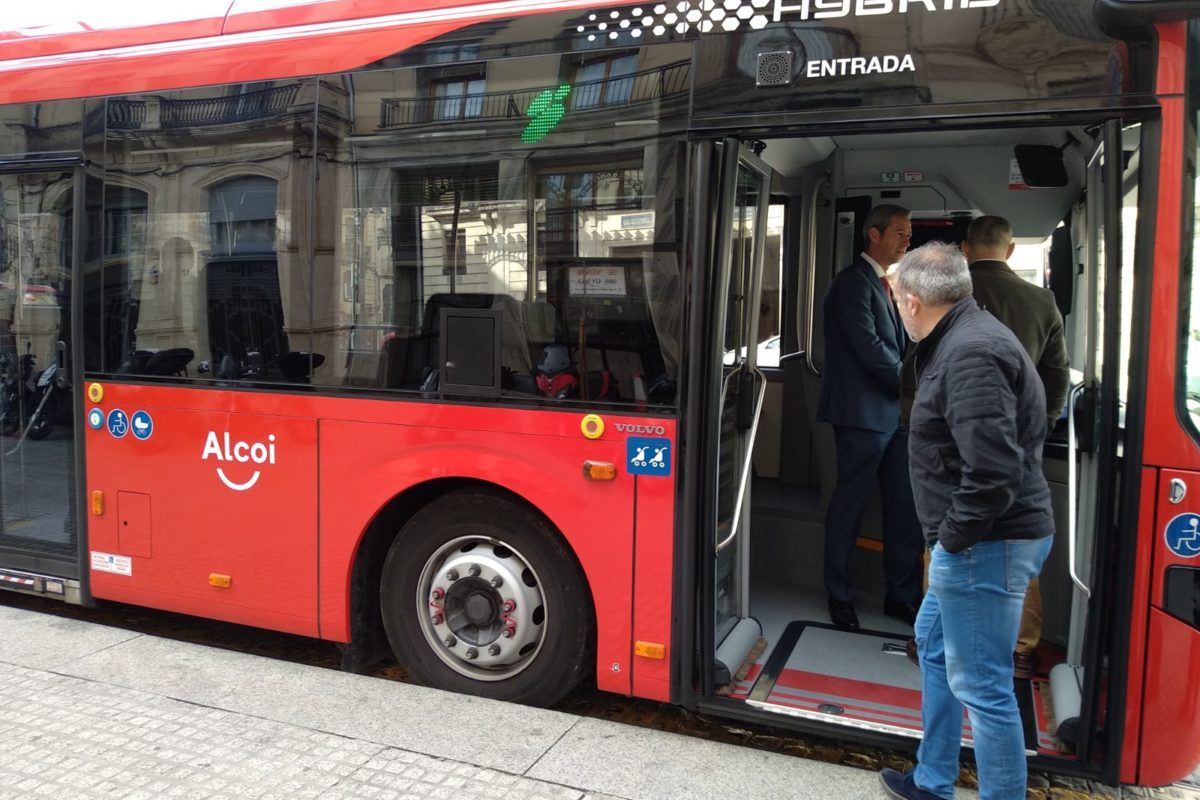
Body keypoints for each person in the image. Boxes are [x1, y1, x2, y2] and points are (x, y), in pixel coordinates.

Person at [879, 242, 1054, 800]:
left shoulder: (970, 352)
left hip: (983, 544)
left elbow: (994, 471)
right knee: (932, 647)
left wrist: (950, 542)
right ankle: (933, 781)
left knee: (984, 688)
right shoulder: (964, 335)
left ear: (911, 303)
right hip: (981, 542)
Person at [962, 215, 1070, 679]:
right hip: (1018, 439)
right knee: (1017, 540)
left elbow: (917, 370)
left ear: (966, 248)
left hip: (957, 438)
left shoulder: (946, 295)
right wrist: (1038, 426)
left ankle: (946, 637)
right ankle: (1022, 649)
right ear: (1008, 251)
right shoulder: (1041, 301)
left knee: (945, 538)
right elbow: (1057, 374)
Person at [817, 204, 924, 631]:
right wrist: (915, 385)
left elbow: (904, 344)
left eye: (909, 232)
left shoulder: (890, 285)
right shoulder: (850, 284)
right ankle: (839, 596)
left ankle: (900, 597)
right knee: (850, 508)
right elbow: (871, 351)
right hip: (862, 417)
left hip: (896, 418)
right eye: (900, 232)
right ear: (873, 234)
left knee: (905, 509)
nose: (906, 240)